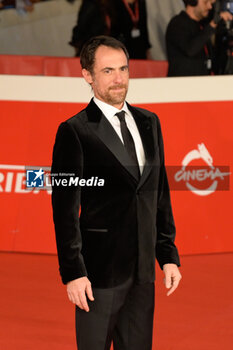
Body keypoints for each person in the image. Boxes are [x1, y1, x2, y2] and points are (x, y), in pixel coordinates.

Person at [51, 35, 181, 350]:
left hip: (143, 272)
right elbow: (65, 210)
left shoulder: (150, 122)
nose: (119, 78)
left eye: (123, 68)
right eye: (108, 71)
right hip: (98, 274)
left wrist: (167, 255)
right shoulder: (75, 131)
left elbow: (158, 193)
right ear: (87, 75)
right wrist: (73, 272)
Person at [165, 0, 233, 76]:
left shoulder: (201, 26)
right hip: (182, 83)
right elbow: (190, 49)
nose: (210, 7)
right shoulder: (177, 23)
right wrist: (213, 24)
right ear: (193, 2)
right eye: (206, 2)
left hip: (201, 82)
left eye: (210, 3)